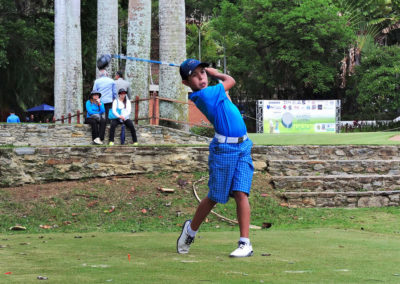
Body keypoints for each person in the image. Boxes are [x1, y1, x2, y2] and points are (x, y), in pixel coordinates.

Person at [176, 59, 254, 258]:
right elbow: (230, 80)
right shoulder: (204, 95)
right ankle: (190, 231)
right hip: (224, 149)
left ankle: (245, 243)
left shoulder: (215, 92)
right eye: (194, 75)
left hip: (243, 145)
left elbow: (226, 89)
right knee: (214, 197)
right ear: (187, 83)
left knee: (241, 192)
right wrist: (214, 73)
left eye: (202, 72)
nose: (201, 77)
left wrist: (211, 73)